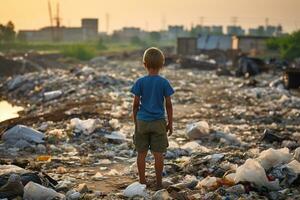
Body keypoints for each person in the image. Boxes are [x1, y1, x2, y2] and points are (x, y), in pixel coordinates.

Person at [131, 47, 174, 189]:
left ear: (144, 64)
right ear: (162, 65)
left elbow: (135, 105)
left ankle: (142, 181)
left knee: (141, 154)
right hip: (158, 122)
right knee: (158, 155)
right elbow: (168, 105)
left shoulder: (140, 82)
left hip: (142, 121)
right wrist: (170, 123)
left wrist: (136, 123)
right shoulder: (164, 83)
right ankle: (159, 183)